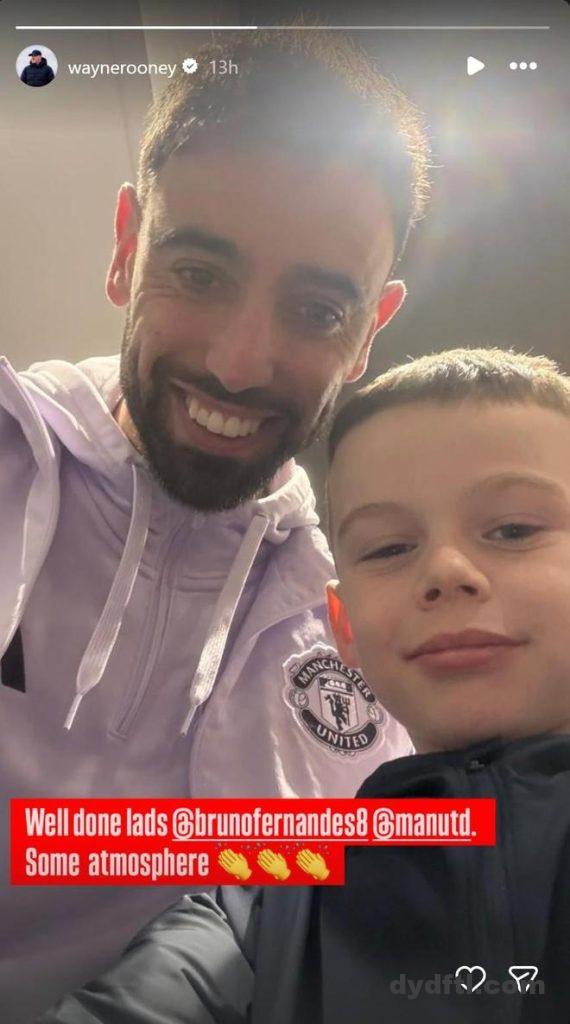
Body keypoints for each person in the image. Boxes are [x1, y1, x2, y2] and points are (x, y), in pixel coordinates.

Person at [0, 25, 430, 1023]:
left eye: (317, 310)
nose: (240, 363)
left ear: (369, 331)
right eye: (198, 273)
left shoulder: (365, 628)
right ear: (126, 249)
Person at [39, 347, 570, 1023]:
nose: (445, 569)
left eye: (514, 529)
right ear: (344, 628)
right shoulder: (258, 915)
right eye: (388, 548)